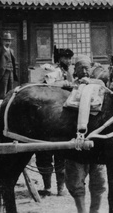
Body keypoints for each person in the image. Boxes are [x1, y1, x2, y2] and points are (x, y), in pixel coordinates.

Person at [63, 57, 106, 213]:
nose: (84, 71)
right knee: (75, 183)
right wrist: (70, 85)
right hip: (75, 142)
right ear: (75, 70)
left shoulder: (99, 84)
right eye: (81, 68)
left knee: (99, 183)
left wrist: (91, 84)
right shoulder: (69, 85)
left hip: (96, 142)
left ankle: (94, 211)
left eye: (87, 68)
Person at [36, 48, 75, 196]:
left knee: (62, 153)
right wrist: (64, 83)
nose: (69, 61)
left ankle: (61, 187)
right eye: (66, 58)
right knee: (45, 153)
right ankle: (47, 187)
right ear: (60, 59)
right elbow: (47, 83)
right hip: (50, 112)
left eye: (70, 58)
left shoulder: (68, 72)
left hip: (65, 115)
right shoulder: (54, 70)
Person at [0, 32, 18, 99]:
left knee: (10, 90)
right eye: (6, 41)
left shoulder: (11, 51)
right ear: (3, 41)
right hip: (3, 73)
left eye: (9, 41)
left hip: (10, 72)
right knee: (2, 92)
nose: (8, 42)